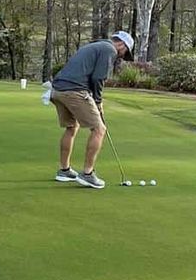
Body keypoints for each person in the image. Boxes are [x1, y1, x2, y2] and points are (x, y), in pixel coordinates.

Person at [50, 30, 134, 189]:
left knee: (72, 127)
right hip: (74, 90)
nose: (122, 56)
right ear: (121, 44)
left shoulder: (96, 45)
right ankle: (87, 174)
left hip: (57, 89)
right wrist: (98, 102)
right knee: (99, 129)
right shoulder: (109, 50)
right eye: (124, 52)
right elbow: (98, 78)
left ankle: (64, 170)